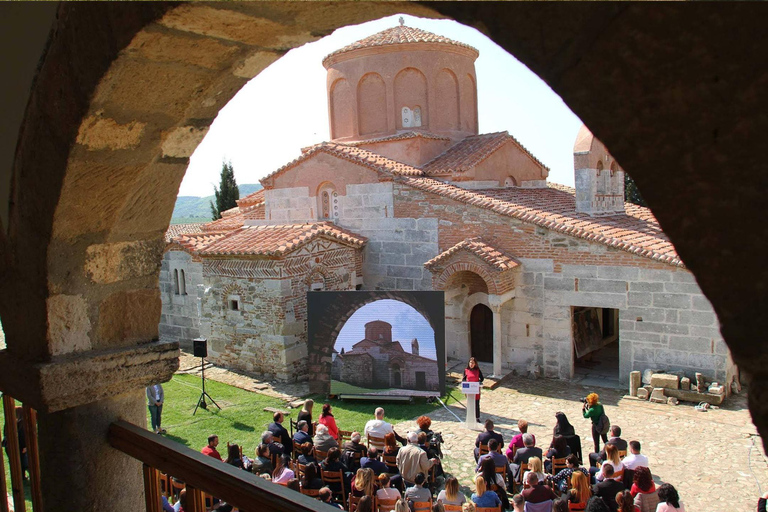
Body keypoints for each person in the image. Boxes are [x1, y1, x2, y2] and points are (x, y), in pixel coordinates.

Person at [2, 407, 27, 480]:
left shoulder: (9, 423)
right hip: (19, 447)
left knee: (14, 462)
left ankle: (19, 477)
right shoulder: (21, 424)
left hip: (10, 446)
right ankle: (21, 477)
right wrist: (25, 447)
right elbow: (23, 437)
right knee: (21, 462)